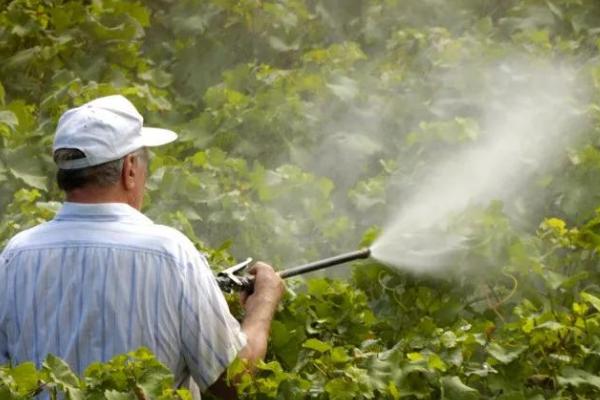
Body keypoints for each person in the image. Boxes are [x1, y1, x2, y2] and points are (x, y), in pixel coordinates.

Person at [0, 95, 284, 398]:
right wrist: (263, 302)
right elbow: (233, 381)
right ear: (130, 169)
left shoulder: (14, 257)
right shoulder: (171, 254)